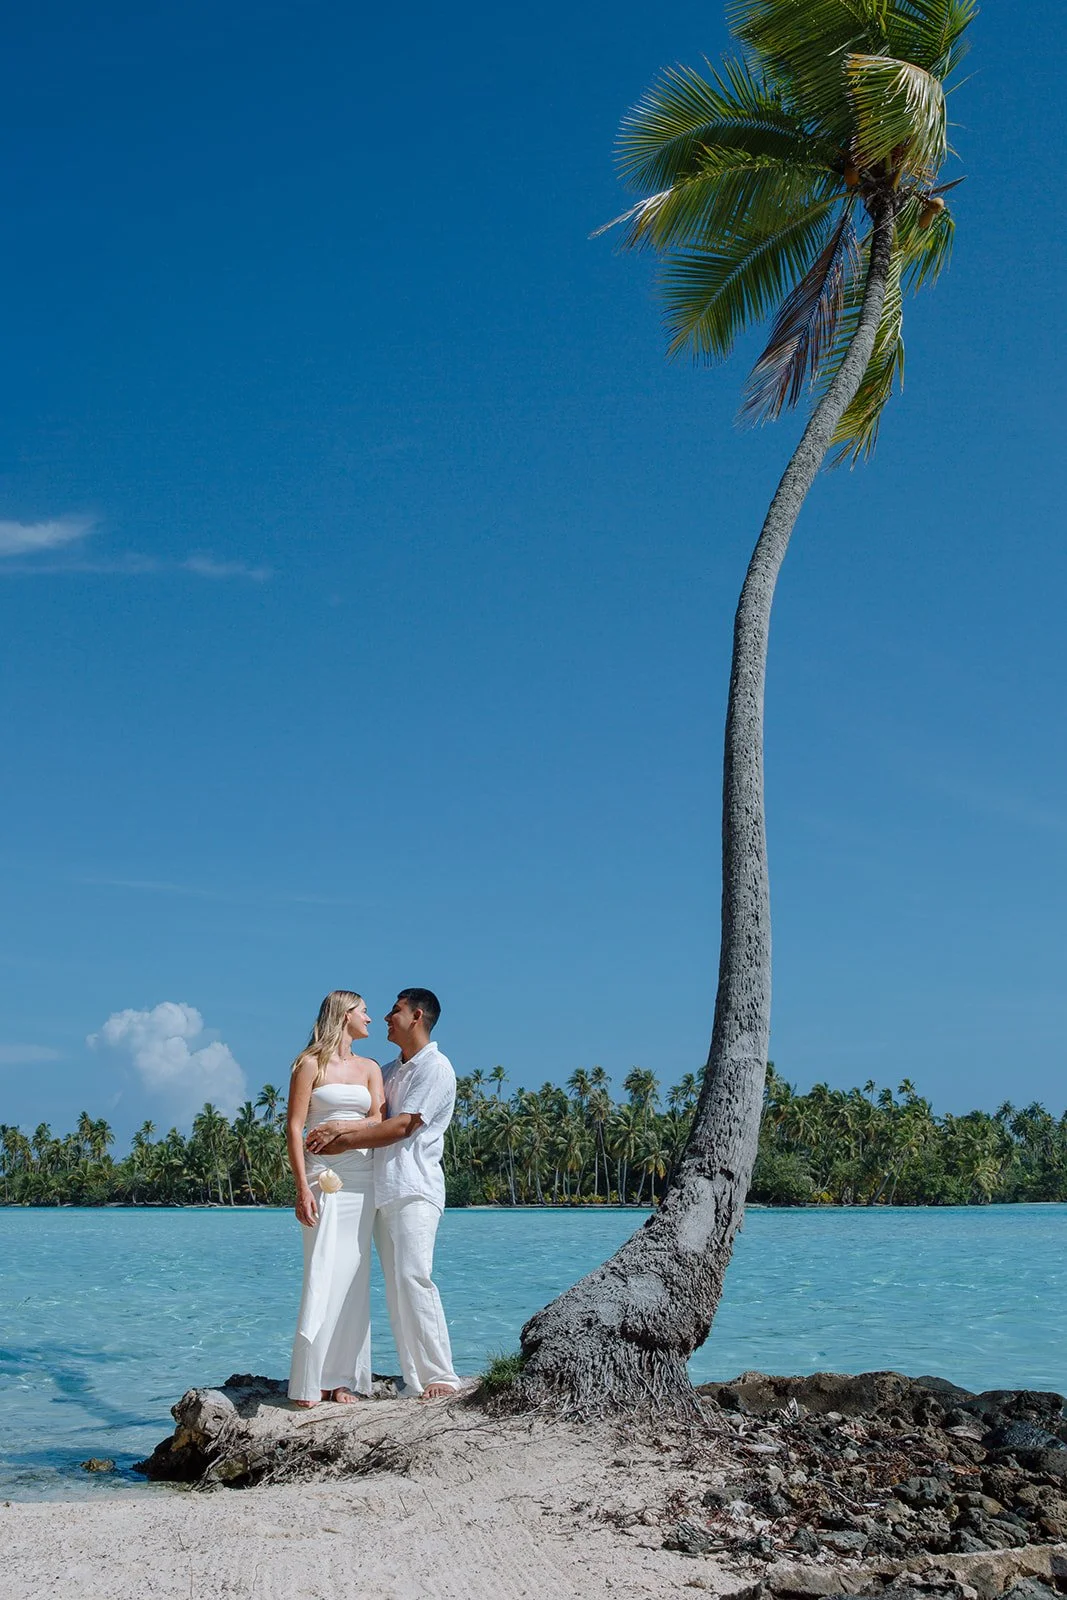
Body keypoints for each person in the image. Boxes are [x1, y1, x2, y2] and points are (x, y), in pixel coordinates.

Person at [305, 987, 461, 1399]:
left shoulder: (436, 1068)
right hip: (380, 1188)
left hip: (415, 1187)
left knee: (415, 1278)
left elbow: (402, 1126)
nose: (385, 1018)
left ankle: (441, 1375)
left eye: (395, 1011)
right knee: (395, 1287)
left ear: (417, 1016)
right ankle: (415, 1380)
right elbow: (375, 1117)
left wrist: (339, 1136)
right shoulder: (391, 1069)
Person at [286, 990, 385, 1407]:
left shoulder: (369, 1067)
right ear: (345, 1015)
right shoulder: (309, 1064)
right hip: (322, 1174)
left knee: (354, 1276)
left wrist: (346, 1125)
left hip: (361, 1176)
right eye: (364, 1011)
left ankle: (342, 1378)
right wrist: (301, 1188)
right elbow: (293, 1127)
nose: (370, 1017)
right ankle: (312, 1379)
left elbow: (379, 1117)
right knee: (323, 1270)